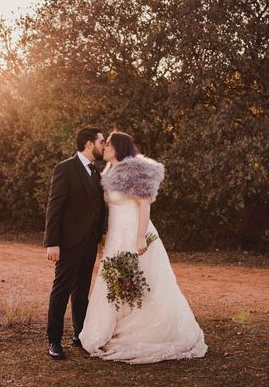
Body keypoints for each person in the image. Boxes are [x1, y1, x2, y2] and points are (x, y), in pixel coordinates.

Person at [79, 131, 208, 364]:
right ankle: (116, 327)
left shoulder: (134, 170)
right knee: (116, 282)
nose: (104, 148)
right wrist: (107, 235)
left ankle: (143, 329)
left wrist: (140, 237)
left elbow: (144, 205)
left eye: (108, 145)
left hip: (134, 233)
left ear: (118, 148)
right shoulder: (109, 172)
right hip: (116, 236)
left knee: (143, 281)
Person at [44, 127, 107, 360]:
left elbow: (98, 208)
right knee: (61, 290)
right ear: (89, 144)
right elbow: (54, 208)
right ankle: (54, 340)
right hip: (68, 242)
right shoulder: (65, 169)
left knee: (81, 291)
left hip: (89, 241)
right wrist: (52, 243)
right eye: (102, 141)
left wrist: (100, 234)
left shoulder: (97, 172)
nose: (104, 145)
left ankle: (80, 334)